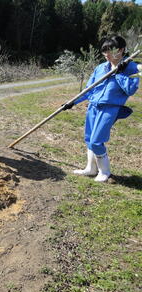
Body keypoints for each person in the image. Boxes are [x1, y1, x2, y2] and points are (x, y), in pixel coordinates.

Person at [62, 35, 140, 182]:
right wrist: (72, 102)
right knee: (89, 139)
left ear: (122, 50)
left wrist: (119, 73)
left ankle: (105, 172)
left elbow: (130, 90)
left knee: (97, 140)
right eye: (104, 51)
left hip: (110, 108)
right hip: (93, 106)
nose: (107, 55)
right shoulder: (100, 68)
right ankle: (91, 169)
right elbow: (88, 90)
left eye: (111, 51)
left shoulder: (132, 68)